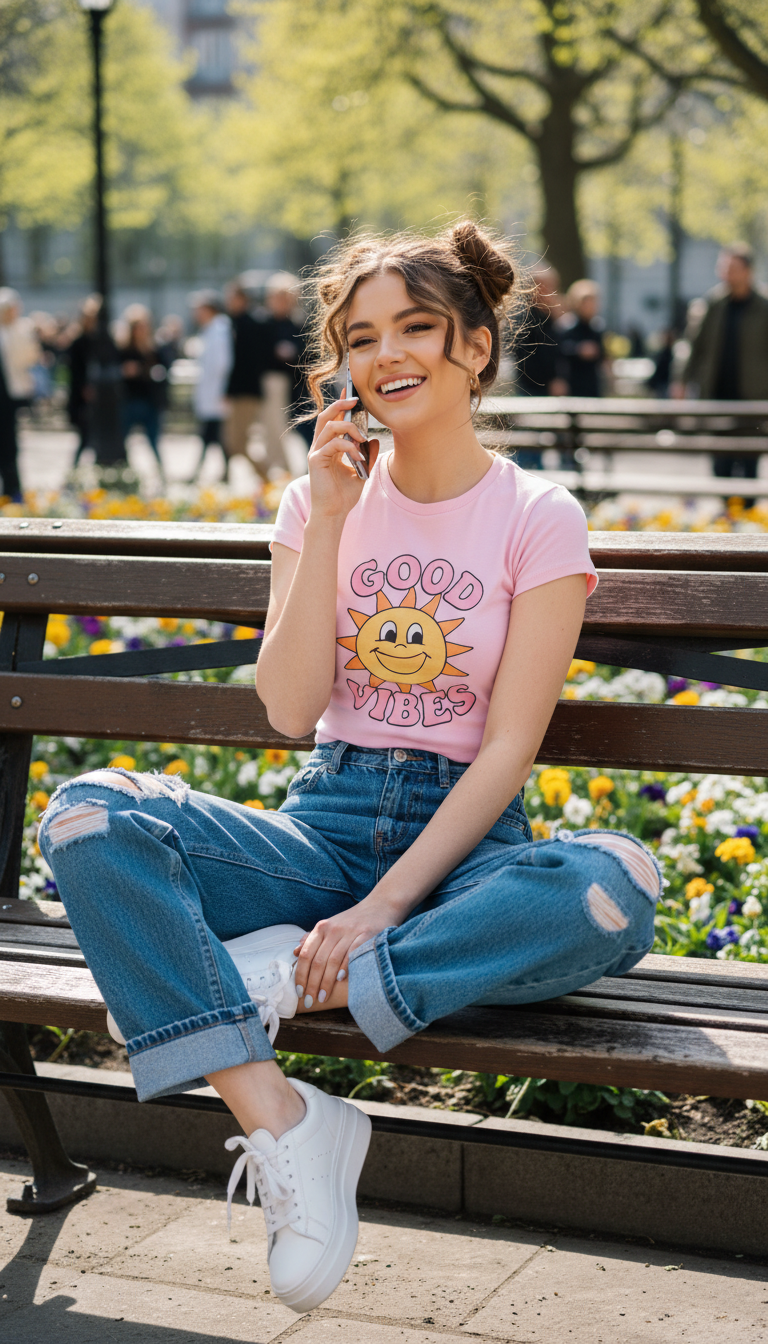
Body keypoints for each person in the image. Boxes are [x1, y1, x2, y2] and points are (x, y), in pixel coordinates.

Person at [39, 222, 660, 1314]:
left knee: (611, 888)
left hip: (459, 852)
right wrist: (326, 520)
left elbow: (509, 747)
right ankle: (280, 1115)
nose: (387, 356)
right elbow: (286, 710)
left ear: (474, 345)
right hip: (317, 824)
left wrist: (379, 910)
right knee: (90, 817)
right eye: (361, 336)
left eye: (415, 328)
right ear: (339, 364)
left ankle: (296, 979)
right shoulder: (313, 502)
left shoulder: (537, 516)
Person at [680, 243, 768, 482]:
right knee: (720, 466)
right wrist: (681, 380)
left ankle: (745, 515)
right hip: (717, 397)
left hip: (753, 401)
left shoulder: (764, 306)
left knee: (749, 465)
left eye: (732, 268)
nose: (726, 273)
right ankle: (726, 514)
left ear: (748, 271)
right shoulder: (712, 304)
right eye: (723, 267)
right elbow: (693, 346)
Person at [514, 264, 568, 467]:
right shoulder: (525, 320)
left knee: (563, 441)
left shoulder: (555, 318)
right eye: (544, 286)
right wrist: (551, 381)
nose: (550, 291)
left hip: (556, 391)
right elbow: (526, 360)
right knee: (530, 447)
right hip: (532, 390)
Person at [223, 280, 270, 482]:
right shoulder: (238, 322)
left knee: (237, 442)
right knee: (233, 442)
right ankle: (265, 477)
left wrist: (229, 389)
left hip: (246, 391)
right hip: (241, 392)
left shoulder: (247, 325)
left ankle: (266, 477)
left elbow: (244, 363)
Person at [119, 304, 170, 483]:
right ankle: (125, 472)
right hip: (130, 400)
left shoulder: (154, 349)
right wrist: (124, 371)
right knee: (123, 439)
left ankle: (161, 475)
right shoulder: (124, 350)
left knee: (154, 441)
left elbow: (164, 371)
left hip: (150, 402)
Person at [260, 272, 304, 476]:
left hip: (286, 382)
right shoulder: (264, 322)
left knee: (278, 426)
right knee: (270, 428)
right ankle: (277, 467)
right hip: (266, 380)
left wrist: (291, 351)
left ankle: (283, 469)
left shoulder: (296, 324)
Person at [0, 288, 40, 501]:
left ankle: (12, 491)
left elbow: (29, 358)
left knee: (9, 445)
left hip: (9, 398)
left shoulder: (19, 330)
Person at [188, 290, 232, 483]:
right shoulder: (211, 330)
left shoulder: (219, 330)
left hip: (216, 394)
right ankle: (221, 470)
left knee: (211, 434)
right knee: (214, 435)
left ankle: (199, 470)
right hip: (212, 394)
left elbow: (221, 364)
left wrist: (221, 391)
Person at [66, 295, 102, 467]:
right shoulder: (77, 343)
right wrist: (84, 388)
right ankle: (74, 472)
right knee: (85, 438)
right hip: (82, 400)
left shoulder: (99, 341)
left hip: (100, 398)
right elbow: (74, 372)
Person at [558, 279, 606, 398]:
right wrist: (578, 350)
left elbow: (602, 355)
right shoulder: (566, 326)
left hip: (592, 384)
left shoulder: (597, 328)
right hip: (572, 383)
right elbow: (558, 352)